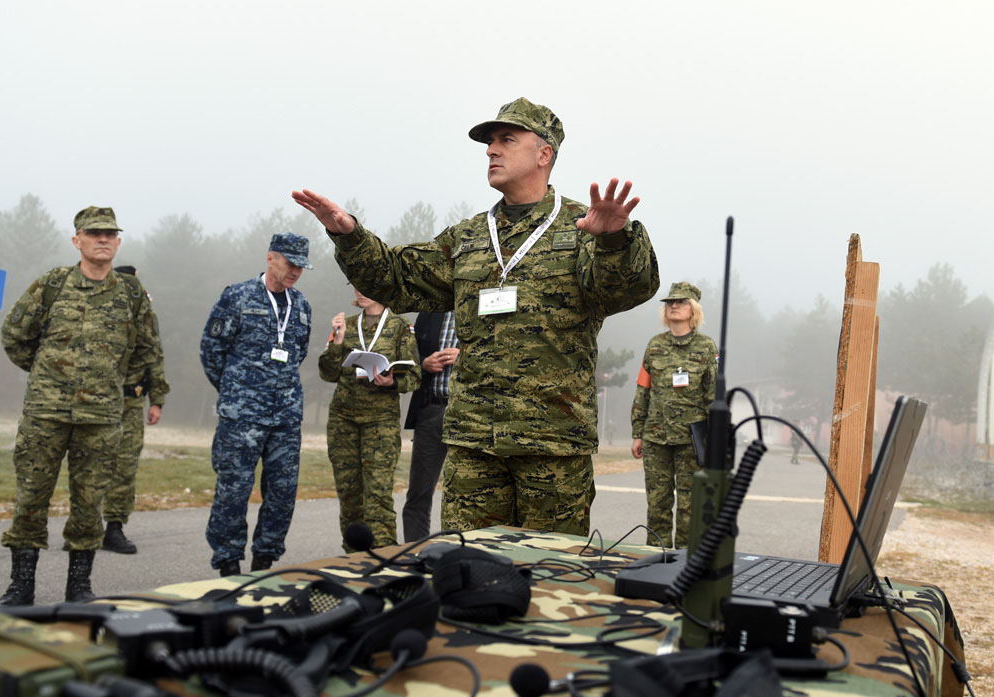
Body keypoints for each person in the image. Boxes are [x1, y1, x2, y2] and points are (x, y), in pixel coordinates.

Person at [294, 98, 659, 537]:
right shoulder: (468, 237)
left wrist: (615, 241)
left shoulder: (585, 228)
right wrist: (349, 235)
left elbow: (623, 290)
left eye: (507, 139)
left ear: (544, 154)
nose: (491, 150)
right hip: (473, 443)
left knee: (550, 569)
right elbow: (395, 278)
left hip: (552, 444)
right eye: (489, 142)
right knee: (466, 566)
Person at [0, 207, 162, 606]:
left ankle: (79, 588)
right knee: (31, 498)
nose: (103, 239)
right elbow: (15, 335)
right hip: (45, 414)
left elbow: (147, 348)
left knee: (89, 502)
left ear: (118, 242)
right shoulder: (52, 284)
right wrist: (46, 374)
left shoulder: (131, 294)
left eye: (110, 234)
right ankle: (20, 587)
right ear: (77, 240)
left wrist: (111, 381)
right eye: (94, 233)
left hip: (101, 418)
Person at [200, 233, 313, 575]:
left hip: (286, 417)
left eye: (301, 266)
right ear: (270, 258)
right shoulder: (237, 296)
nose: (295, 271)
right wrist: (236, 391)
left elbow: (299, 353)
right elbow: (211, 351)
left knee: (282, 492)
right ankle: (228, 563)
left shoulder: (302, 305)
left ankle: (264, 560)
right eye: (290, 263)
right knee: (233, 489)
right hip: (242, 416)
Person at [319, 289, 420, 550]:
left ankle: (384, 557)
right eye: (355, 285)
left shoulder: (400, 326)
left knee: (378, 495)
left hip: (381, 422)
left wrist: (392, 382)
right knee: (349, 496)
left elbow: (414, 377)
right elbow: (328, 374)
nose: (360, 291)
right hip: (344, 420)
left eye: (366, 286)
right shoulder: (347, 324)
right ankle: (354, 557)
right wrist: (338, 341)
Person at [630, 281, 718, 548]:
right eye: (670, 302)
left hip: (692, 440)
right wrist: (637, 433)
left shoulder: (706, 347)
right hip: (655, 437)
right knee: (657, 504)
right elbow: (643, 390)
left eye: (681, 302)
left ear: (694, 310)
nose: (674, 306)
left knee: (689, 508)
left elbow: (713, 396)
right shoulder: (654, 345)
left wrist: (714, 439)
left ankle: (682, 562)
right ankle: (655, 558)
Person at [96, 264, 169, 554]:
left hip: (130, 403)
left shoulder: (144, 313)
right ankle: (84, 527)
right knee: (90, 466)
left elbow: (155, 354)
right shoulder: (97, 308)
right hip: (97, 402)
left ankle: (114, 528)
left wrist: (157, 400)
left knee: (124, 468)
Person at [401, 311, 457, 542]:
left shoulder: (486, 306)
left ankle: (461, 556)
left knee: (466, 494)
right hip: (430, 409)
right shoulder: (429, 312)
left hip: (468, 414)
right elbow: (408, 356)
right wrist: (423, 363)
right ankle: (417, 554)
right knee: (419, 492)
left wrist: (465, 357)